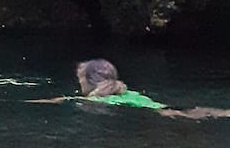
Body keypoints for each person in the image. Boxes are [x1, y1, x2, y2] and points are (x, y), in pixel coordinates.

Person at [28, 58, 230, 119]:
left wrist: (28, 102)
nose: (80, 83)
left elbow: (64, 100)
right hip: (162, 107)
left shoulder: (97, 100)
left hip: (161, 112)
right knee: (210, 112)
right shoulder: (126, 92)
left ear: (91, 81)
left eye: (81, 78)